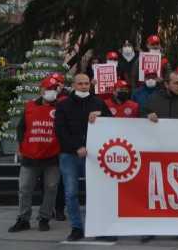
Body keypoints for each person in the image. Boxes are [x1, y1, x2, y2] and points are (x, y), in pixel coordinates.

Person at [54, 73, 112, 241]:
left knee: (95, 192)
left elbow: (112, 122)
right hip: (69, 155)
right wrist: (76, 147)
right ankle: (76, 228)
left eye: (86, 83)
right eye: (80, 84)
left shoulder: (98, 103)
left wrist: (100, 117)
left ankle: (98, 228)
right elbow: (60, 130)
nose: (84, 86)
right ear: (74, 85)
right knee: (71, 193)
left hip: (94, 155)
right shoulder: (63, 105)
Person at [9, 75, 62, 234]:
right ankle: (23, 219)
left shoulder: (61, 107)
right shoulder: (30, 106)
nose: (51, 92)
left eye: (54, 89)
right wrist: (20, 145)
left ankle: (44, 218)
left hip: (52, 156)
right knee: (24, 188)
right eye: (48, 89)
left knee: (51, 188)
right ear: (41, 90)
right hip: (30, 156)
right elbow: (21, 128)